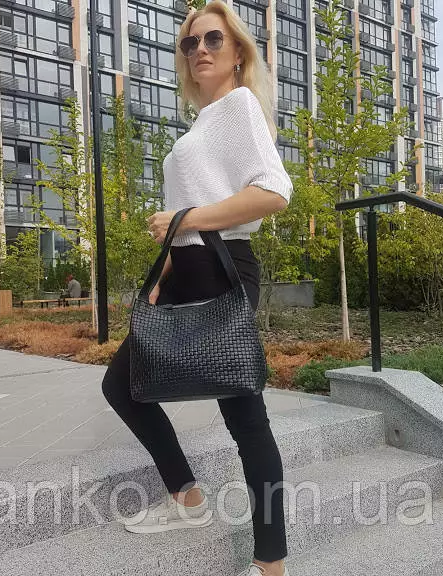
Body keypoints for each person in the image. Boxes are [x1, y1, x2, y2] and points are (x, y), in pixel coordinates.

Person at [101, 2, 292, 575]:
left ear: (238, 53)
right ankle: (186, 497)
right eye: (190, 43)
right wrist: (162, 276)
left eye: (213, 39)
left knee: (245, 418)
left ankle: (271, 562)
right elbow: (185, 221)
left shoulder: (239, 106)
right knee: (122, 384)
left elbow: (273, 192)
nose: (200, 50)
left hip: (221, 267)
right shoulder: (201, 123)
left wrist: (186, 218)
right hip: (185, 270)